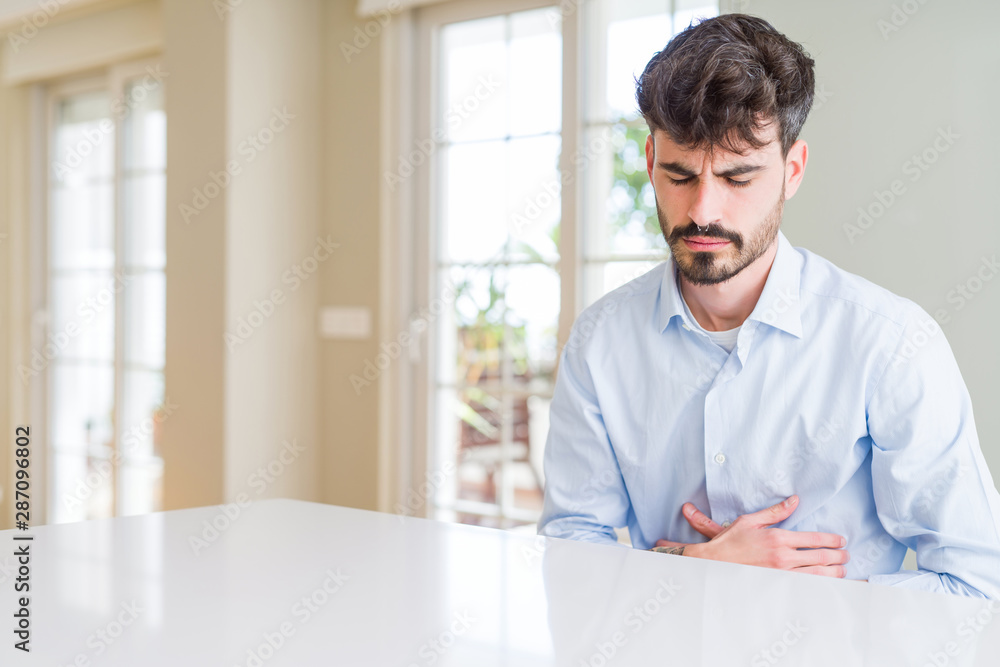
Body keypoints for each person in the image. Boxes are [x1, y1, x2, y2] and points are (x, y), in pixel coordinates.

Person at [537, 13, 1000, 598]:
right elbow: (570, 552)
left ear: (793, 171)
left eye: (738, 178)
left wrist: (790, 600)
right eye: (680, 175)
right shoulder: (599, 342)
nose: (703, 211)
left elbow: (978, 585)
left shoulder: (892, 344)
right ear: (651, 160)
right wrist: (699, 566)